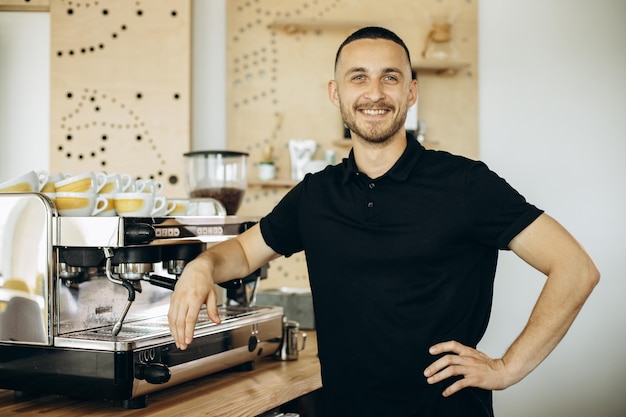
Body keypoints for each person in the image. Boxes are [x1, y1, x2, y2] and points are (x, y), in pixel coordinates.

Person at [168, 26, 599, 417]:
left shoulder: (467, 185)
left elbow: (575, 268)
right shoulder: (316, 194)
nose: (375, 92)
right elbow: (243, 251)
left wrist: (507, 367)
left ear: (411, 92)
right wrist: (202, 266)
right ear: (335, 93)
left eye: (390, 77)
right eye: (359, 77)